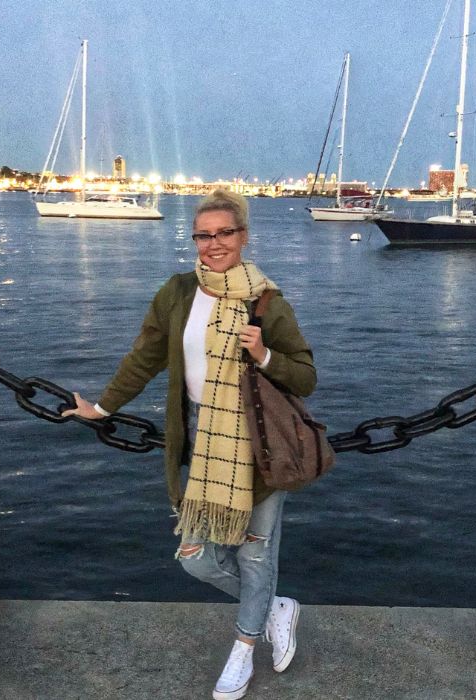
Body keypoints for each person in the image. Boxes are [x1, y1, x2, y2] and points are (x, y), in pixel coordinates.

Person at [64, 189, 315, 700]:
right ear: (194, 240)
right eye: (203, 235)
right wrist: (104, 407)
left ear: (242, 237)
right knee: (196, 559)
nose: (213, 243)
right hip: (202, 438)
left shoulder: (266, 300)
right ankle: (275, 609)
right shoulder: (178, 293)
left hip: (259, 444)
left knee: (255, 557)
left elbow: (305, 377)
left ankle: (243, 650)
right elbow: (144, 357)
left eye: (224, 233)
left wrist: (264, 354)